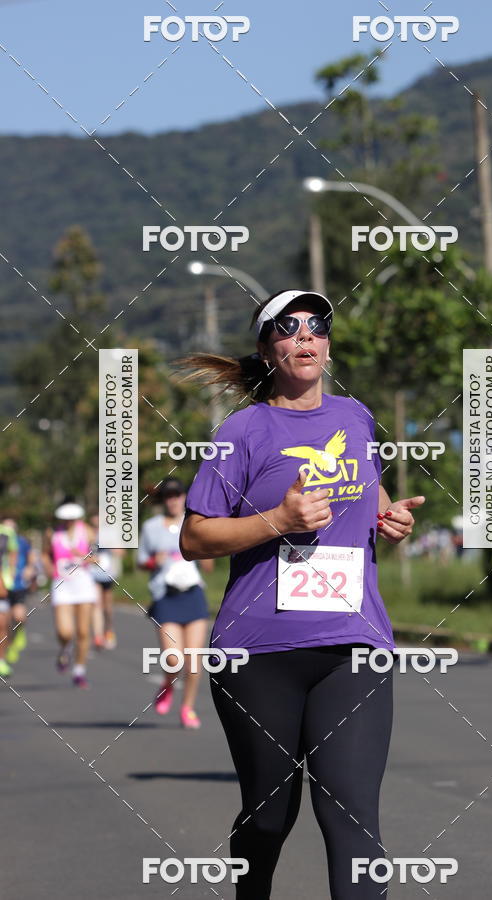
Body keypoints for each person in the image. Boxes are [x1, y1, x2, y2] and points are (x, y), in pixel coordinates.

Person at [179, 289, 425, 899]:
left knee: (352, 819)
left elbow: (367, 495)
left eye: (318, 327)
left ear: (328, 343)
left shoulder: (356, 416)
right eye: (288, 329)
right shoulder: (241, 431)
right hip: (258, 654)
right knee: (268, 818)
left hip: (353, 645)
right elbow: (194, 537)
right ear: (267, 348)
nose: (305, 337)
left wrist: (389, 520)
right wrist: (277, 521)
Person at [137, 478, 214, 729]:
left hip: (192, 594)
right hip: (165, 596)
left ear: (184, 497)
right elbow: (140, 562)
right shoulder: (151, 527)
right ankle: (167, 684)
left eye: (177, 495)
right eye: (168, 496)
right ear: (163, 500)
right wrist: (153, 562)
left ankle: (187, 707)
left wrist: (206, 554)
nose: (173, 500)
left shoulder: (195, 523)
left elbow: (209, 566)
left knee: (193, 661)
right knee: (174, 659)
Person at [41, 501, 98, 688]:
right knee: (65, 631)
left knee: (83, 631)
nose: (69, 522)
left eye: (72, 518)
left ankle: (79, 671)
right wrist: (49, 568)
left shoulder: (88, 531)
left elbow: (97, 556)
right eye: (66, 519)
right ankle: (65, 647)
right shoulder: (52, 534)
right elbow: (44, 554)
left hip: (83, 584)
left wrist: (83, 555)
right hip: (62, 585)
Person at [3, 517, 36, 667]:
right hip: (3, 587)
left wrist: (30, 569)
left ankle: (18, 636)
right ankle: (7, 648)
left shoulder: (21, 541)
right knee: (5, 622)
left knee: (20, 616)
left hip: (18, 585)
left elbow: (31, 557)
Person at [89, 512, 124, 650]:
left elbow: (121, 551)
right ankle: (98, 636)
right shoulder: (88, 533)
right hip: (93, 573)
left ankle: (109, 629)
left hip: (107, 573)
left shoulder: (110, 533)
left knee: (107, 607)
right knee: (97, 604)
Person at [0, 517, 18, 678]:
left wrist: (11, 573)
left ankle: (1, 659)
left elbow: (13, 552)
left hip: (2, 583)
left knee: (2, 624)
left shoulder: (6, 533)